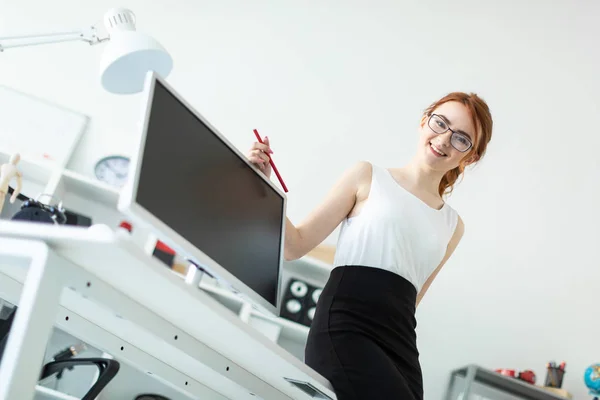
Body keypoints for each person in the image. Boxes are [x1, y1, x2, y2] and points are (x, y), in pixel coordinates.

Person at [246, 92, 493, 399]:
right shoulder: (368, 176)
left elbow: (412, 301)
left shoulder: (453, 226)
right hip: (345, 326)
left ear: (470, 157)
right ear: (423, 122)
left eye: (461, 139)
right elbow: (294, 245)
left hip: (400, 342)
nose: (444, 139)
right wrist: (264, 185)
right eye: (440, 123)